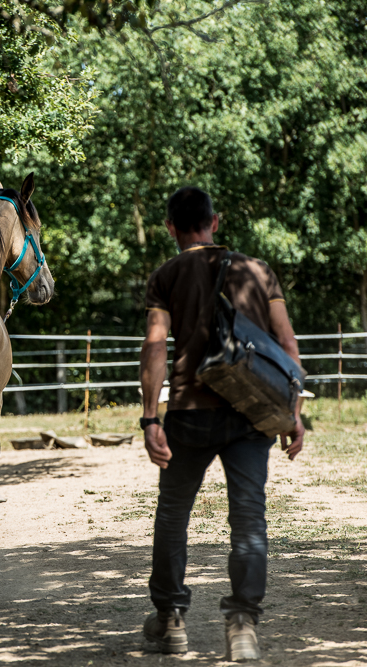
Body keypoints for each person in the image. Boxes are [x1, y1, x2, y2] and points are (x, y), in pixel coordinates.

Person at [138, 187, 305, 661]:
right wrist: (293, 412)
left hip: (189, 412)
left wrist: (150, 418)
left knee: (173, 514)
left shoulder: (166, 275)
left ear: (171, 227)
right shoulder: (258, 271)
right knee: (249, 517)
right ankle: (243, 627)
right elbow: (286, 342)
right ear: (215, 221)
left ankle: (171, 620)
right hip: (252, 411)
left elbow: (155, 345)